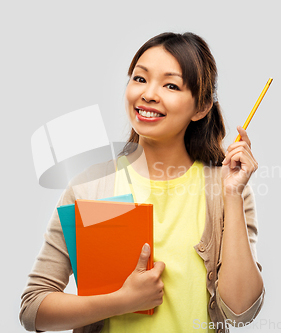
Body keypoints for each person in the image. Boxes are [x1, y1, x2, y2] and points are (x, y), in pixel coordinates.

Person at [20, 32, 265, 333]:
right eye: (139, 79)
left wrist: (232, 194)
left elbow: (240, 312)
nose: (148, 94)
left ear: (201, 108)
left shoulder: (225, 189)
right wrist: (121, 300)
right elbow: (33, 308)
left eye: (171, 85)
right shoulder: (91, 187)